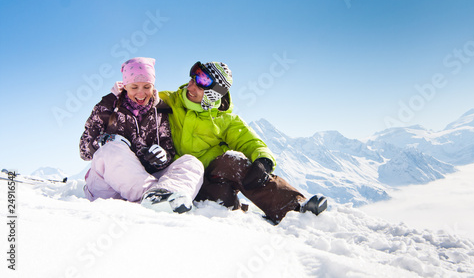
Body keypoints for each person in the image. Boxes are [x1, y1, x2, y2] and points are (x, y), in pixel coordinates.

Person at [158, 61, 327, 224]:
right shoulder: (171, 100)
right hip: (177, 177)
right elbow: (140, 95)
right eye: (191, 80)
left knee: (233, 162)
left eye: (199, 86)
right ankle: (238, 210)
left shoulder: (224, 118)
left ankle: (295, 208)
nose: (190, 87)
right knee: (223, 199)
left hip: (207, 176)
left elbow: (248, 140)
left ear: (213, 95)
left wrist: (263, 160)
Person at [79, 57, 204, 213]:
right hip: (109, 190)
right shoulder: (107, 107)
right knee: (112, 149)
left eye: (146, 86)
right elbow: (84, 150)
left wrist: (162, 156)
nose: (141, 93)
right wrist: (105, 141)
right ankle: (158, 198)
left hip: (145, 179)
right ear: (125, 86)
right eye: (134, 87)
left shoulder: (160, 110)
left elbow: (168, 148)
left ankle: (163, 195)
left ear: (153, 86)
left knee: (191, 162)